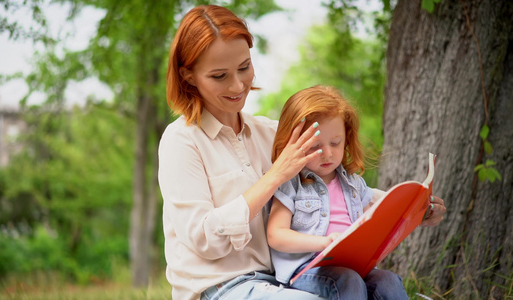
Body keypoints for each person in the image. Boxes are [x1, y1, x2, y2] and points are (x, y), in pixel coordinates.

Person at [158, 4, 446, 300]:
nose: (237, 85)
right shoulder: (182, 142)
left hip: (279, 281)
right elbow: (203, 240)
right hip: (221, 287)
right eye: (219, 76)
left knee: (381, 287)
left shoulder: (271, 132)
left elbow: (336, 185)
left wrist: (408, 208)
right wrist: (276, 174)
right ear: (189, 76)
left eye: (244, 67)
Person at [266, 85, 439, 299]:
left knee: (388, 280)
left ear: (346, 138)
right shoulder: (292, 182)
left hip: (356, 266)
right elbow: (276, 235)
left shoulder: (354, 184)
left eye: (335, 143)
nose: (327, 153)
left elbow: (371, 224)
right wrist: (324, 243)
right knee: (348, 280)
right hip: (307, 271)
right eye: (315, 146)